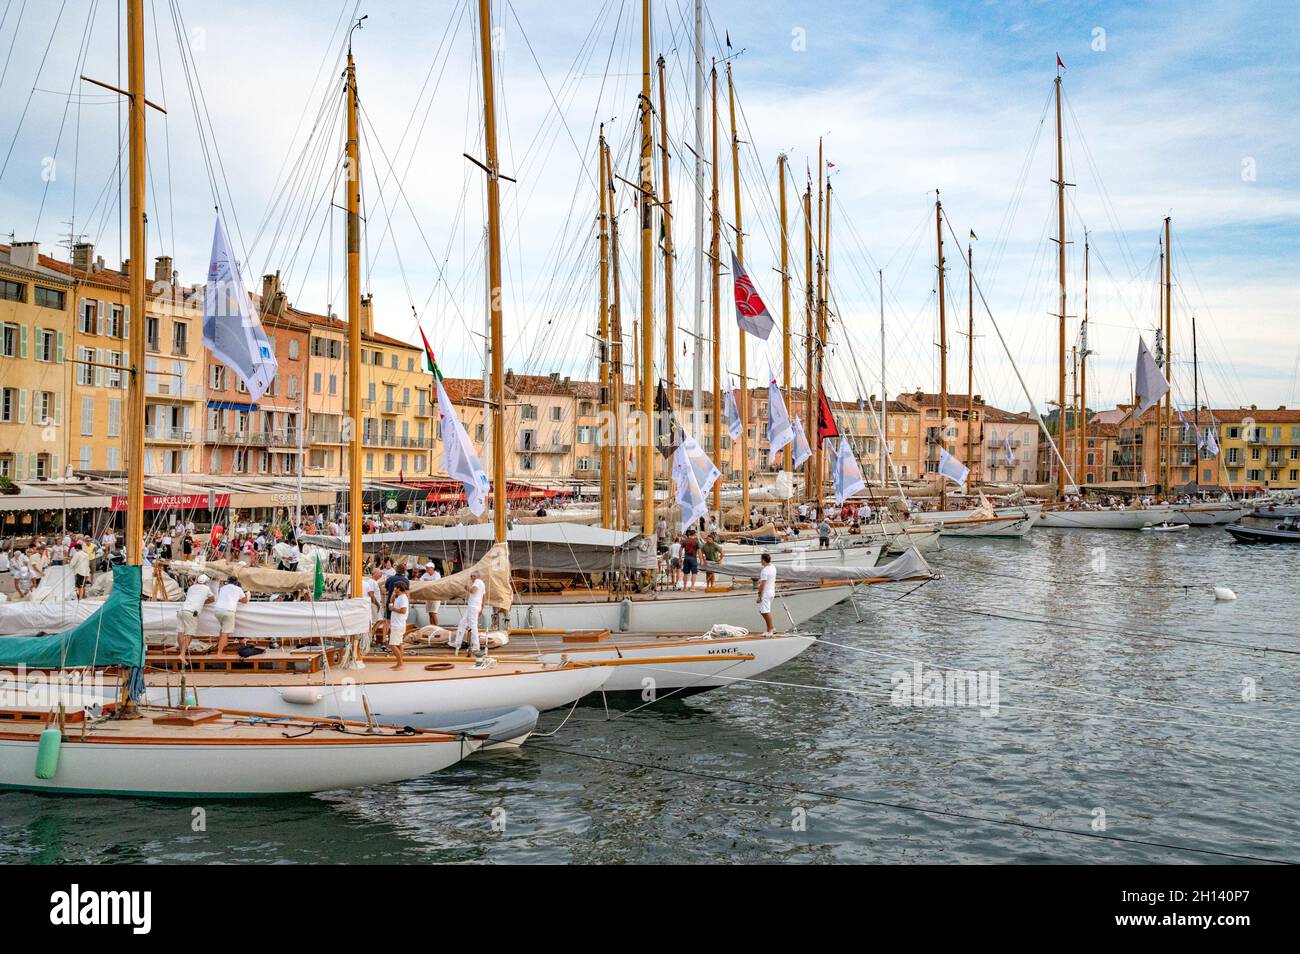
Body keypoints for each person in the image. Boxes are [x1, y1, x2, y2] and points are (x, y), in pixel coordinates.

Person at [176, 573, 214, 663]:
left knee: (181, 632)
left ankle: (182, 654)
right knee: (189, 633)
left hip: (181, 610)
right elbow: (212, 599)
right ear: (206, 582)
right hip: (191, 612)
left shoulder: (191, 587)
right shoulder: (206, 588)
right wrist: (203, 602)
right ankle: (182, 654)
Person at [213, 575, 249, 655]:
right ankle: (219, 653)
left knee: (222, 629)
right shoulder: (238, 589)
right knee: (226, 633)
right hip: (228, 610)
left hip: (217, 610)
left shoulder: (222, 588)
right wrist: (244, 594)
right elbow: (245, 601)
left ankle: (222, 644)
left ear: (228, 581)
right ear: (236, 582)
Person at [453, 569, 486, 656]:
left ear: (475, 576)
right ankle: (457, 643)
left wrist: (466, 587)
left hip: (473, 607)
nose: (471, 578)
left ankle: (476, 646)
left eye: (471, 576)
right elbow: (484, 597)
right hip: (475, 607)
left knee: (473, 626)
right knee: (462, 623)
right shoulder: (482, 584)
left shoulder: (477, 582)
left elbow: (473, 591)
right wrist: (482, 608)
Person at [387, 580, 410, 669]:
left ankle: (400, 664)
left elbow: (403, 611)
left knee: (392, 645)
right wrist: (392, 597)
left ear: (399, 588)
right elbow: (392, 604)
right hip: (397, 624)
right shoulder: (399, 597)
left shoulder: (403, 598)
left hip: (398, 625)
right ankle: (399, 663)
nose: (394, 589)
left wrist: (393, 609)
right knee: (399, 644)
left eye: (395, 587)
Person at [756, 552, 777, 635]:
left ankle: (770, 630)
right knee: (762, 611)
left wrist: (759, 596)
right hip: (772, 592)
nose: (760, 561)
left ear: (764, 560)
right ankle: (772, 627)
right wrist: (761, 580)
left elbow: (763, 585)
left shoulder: (764, 571)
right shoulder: (773, 567)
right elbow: (768, 579)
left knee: (765, 612)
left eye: (761, 560)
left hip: (766, 593)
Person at [419, 561, 442, 625]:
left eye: (428, 568)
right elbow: (420, 580)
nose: (427, 569)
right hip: (428, 595)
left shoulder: (437, 574)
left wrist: (427, 581)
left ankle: (436, 627)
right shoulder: (425, 574)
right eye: (427, 568)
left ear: (432, 568)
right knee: (430, 613)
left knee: (433, 612)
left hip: (436, 596)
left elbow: (436, 583)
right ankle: (432, 626)